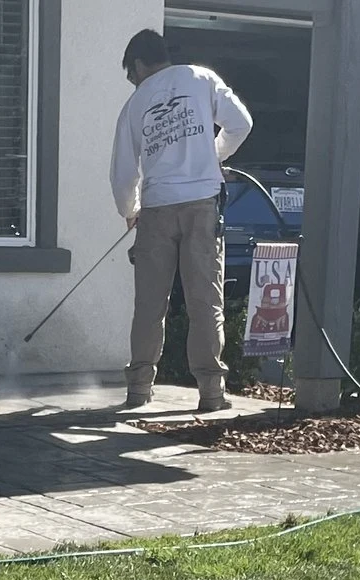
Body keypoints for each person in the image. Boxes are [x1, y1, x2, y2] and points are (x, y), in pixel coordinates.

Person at [111, 30, 253, 413]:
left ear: (139, 64)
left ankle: (138, 390)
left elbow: (124, 173)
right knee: (205, 301)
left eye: (131, 73)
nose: (135, 80)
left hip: (156, 210)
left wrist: (130, 210)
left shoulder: (135, 103)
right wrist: (213, 156)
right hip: (201, 206)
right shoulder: (201, 78)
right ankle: (211, 393)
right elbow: (241, 123)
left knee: (150, 304)